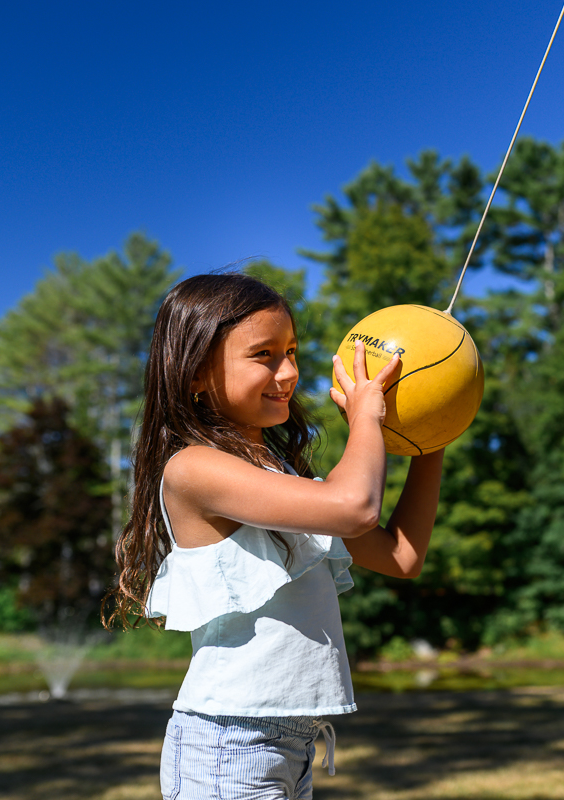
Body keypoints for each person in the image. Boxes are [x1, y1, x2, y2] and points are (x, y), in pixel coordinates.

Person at [107, 272, 445, 800]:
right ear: (195, 373)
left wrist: (431, 437)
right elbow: (355, 506)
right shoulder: (194, 469)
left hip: (290, 745)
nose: (287, 372)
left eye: (291, 351)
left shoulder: (283, 476)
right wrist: (366, 419)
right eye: (263, 354)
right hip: (229, 744)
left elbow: (401, 556)